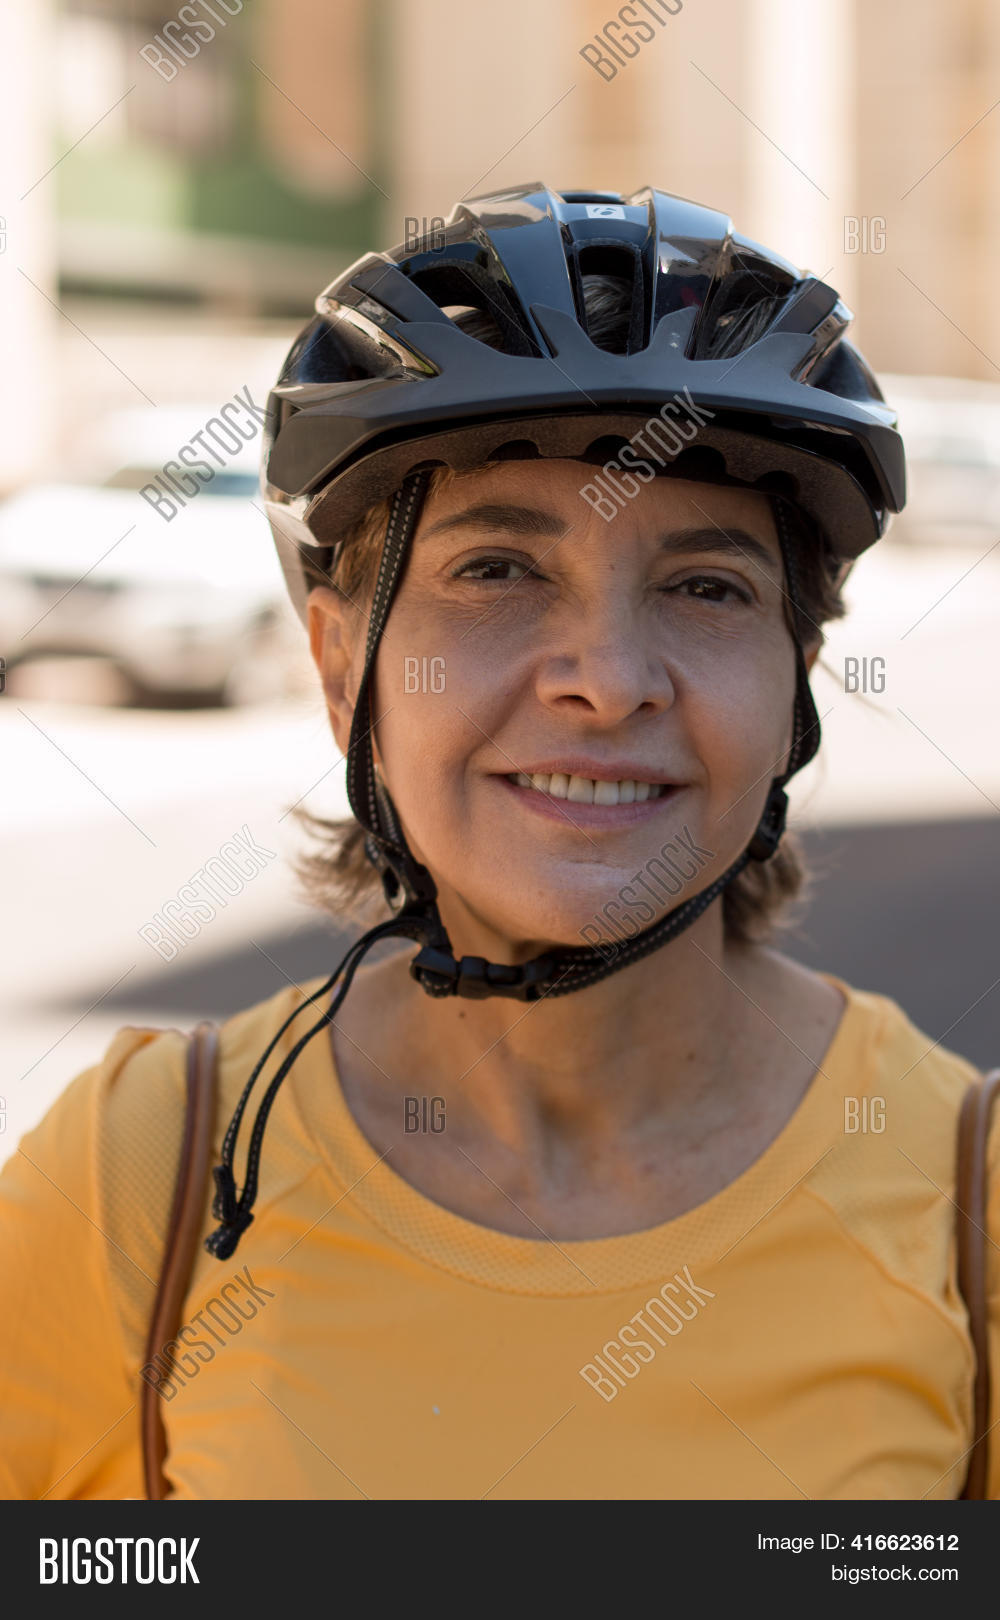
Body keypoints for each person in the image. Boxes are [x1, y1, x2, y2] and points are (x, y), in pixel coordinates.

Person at [1, 183, 995, 1501]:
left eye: (707, 587)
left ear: (794, 685)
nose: (608, 679)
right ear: (343, 665)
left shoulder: (963, 1199)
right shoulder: (149, 1176)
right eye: (499, 572)